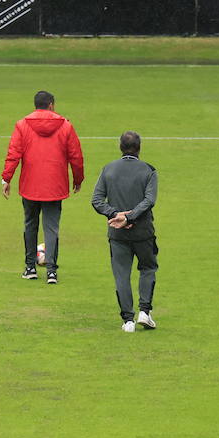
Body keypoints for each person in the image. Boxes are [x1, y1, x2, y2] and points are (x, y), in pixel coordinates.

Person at [1, 90, 84, 283]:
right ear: (51, 105)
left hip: (30, 185)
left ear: (35, 105)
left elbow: (14, 154)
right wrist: (78, 179)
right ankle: (52, 271)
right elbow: (76, 156)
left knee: (30, 224)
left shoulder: (22, 125)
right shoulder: (65, 126)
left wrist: (6, 178)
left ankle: (30, 267)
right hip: (55, 185)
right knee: (51, 228)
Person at [91, 131, 158, 332]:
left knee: (122, 274)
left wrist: (116, 215)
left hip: (117, 234)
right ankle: (144, 312)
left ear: (120, 147)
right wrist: (129, 217)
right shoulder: (149, 171)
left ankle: (128, 320)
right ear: (139, 147)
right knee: (147, 268)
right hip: (143, 232)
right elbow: (149, 200)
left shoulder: (108, 169)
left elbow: (96, 200)